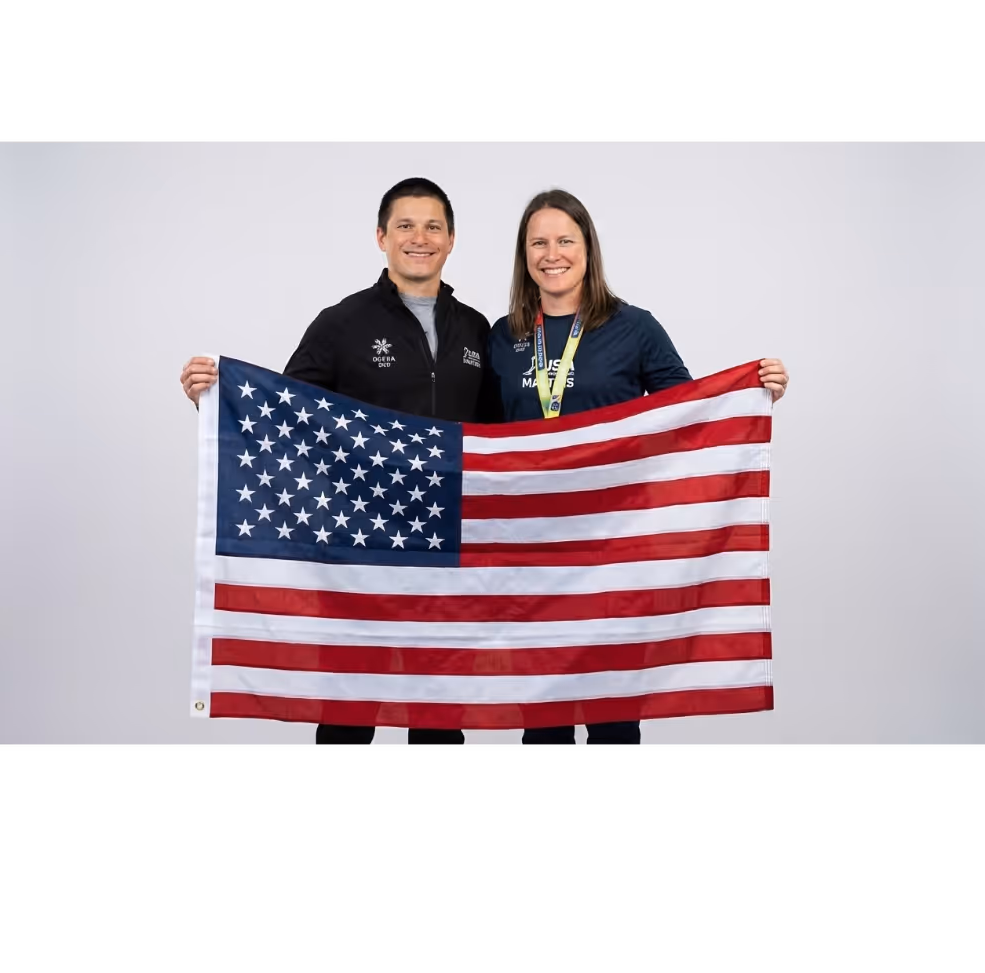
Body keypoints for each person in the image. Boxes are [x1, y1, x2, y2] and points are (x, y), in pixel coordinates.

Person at [181, 177, 501, 745]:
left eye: (433, 227)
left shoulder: (477, 329)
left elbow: (500, 435)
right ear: (381, 237)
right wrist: (215, 395)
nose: (419, 238)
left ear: (452, 240)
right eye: (405, 225)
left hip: (445, 546)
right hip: (359, 549)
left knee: (439, 720)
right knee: (349, 714)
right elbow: (280, 413)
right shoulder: (342, 323)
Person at [488, 189, 789, 746]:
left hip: (615, 551)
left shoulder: (633, 327)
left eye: (565, 240)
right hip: (534, 552)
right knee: (543, 719)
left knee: (614, 715)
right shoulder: (504, 338)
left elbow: (694, 413)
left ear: (587, 248)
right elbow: (480, 437)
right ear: (523, 255)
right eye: (538, 242)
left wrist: (753, 392)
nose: (552, 254)